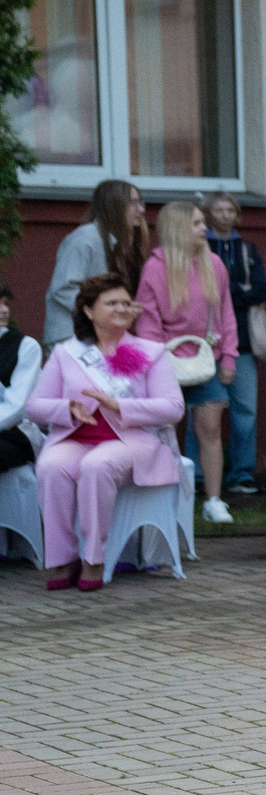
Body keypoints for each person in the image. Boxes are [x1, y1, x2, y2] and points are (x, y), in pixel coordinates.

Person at [28, 276, 184, 589]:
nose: (121, 309)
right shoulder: (66, 354)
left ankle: (94, 558)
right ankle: (62, 558)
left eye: (126, 303)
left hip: (132, 441)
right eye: (111, 303)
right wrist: (67, 408)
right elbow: (34, 406)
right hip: (77, 438)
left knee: (97, 466)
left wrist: (120, 405)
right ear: (88, 311)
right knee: (51, 466)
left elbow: (173, 407)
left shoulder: (151, 352)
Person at [135, 199, 240, 526]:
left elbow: (226, 315)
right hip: (164, 363)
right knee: (162, 432)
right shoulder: (155, 267)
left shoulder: (214, 264)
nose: (203, 229)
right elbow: (146, 322)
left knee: (210, 429)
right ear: (179, 228)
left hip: (206, 359)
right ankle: (160, 498)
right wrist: (156, 361)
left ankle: (213, 500)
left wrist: (229, 356)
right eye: (196, 223)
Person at [201, 195, 266, 498]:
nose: (225, 215)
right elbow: (203, 292)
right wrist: (236, 290)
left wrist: (229, 294)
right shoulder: (200, 246)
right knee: (201, 411)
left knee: (246, 410)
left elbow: (260, 290)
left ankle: (242, 474)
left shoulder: (247, 248)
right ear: (207, 214)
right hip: (202, 343)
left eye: (231, 210)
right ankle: (199, 475)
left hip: (241, 341)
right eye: (219, 209)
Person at [44, 180, 146, 346]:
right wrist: (107, 310)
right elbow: (63, 288)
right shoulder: (84, 239)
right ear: (114, 205)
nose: (141, 210)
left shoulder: (120, 242)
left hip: (95, 338)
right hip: (71, 339)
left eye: (141, 202)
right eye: (134, 203)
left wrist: (123, 307)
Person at [0, 283, 38, 478]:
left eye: (5, 303)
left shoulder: (25, 346)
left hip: (13, 433)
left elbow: (17, 407)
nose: (4, 310)